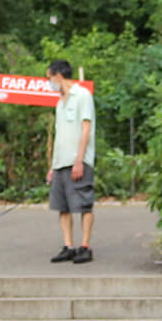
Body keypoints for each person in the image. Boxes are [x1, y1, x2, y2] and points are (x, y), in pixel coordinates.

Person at [47, 60, 96, 265]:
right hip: (61, 162)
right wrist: (52, 166)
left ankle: (85, 246)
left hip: (78, 160)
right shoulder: (60, 102)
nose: (49, 82)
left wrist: (79, 160)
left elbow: (86, 129)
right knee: (62, 206)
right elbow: (60, 135)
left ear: (59, 75)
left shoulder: (82, 95)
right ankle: (68, 246)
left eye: (48, 77)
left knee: (84, 204)